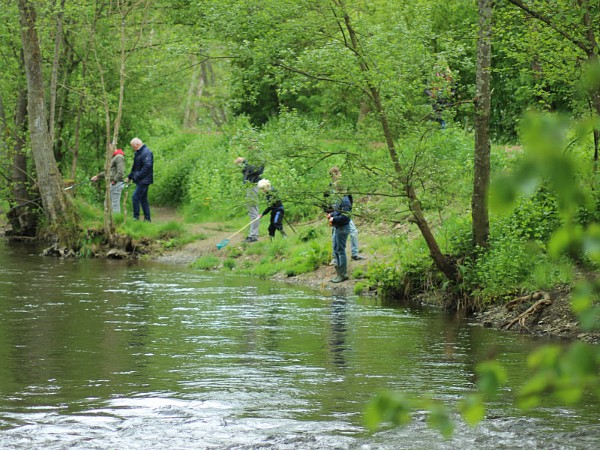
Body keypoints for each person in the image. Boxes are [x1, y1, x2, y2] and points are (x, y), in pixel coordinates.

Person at [328, 166, 365, 263]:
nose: (339, 175)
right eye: (337, 174)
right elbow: (327, 202)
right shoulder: (330, 188)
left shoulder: (344, 185)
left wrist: (349, 210)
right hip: (336, 215)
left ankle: (354, 254)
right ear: (333, 176)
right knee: (335, 235)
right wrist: (331, 214)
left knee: (353, 232)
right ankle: (335, 258)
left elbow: (349, 198)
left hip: (345, 213)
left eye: (339, 173)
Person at [234, 154, 264, 242]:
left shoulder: (258, 156)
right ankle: (252, 235)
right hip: (249, 186)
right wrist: (242, 164)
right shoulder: (252, 157)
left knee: (253, 211)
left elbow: (256, 170)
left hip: (253, 185)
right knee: (252, 211)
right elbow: (247, 172)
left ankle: (253, 236)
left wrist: (244, 161)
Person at [125, 137, 153, 222]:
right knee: (143, 199)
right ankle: (147, 219)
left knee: (135, 197)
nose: (133, 149)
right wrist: (130, 176)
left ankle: (135, 218)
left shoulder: (146, 152)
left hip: (144, 180)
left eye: (133, 147)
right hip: (141, 180)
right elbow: (135, 167)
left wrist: (137, 176)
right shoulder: (138, 153)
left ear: (138, 144)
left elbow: (147, 166)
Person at [327, 191, 352, 283]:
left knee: (340, 251)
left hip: (343, 228)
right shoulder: (339, 199)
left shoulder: (345, 200)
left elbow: (346, 217)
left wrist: (334, 219)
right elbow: (338, 213)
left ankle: (343, 274)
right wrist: (332, 215)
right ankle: (339, 274)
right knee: (336, 249)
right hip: (338, 227)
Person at [91, 145, 126, 213]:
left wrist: (114, 181)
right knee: (106, 203)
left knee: (114, 204)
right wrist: (98, 176)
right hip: (112, 183)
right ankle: (108, 220)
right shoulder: (114, 157)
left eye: (108, 149)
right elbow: (108, 172)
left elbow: (121, 172)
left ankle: (116, 221)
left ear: (113, 148)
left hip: (116, 183)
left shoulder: (119, 157)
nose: (107, 151)